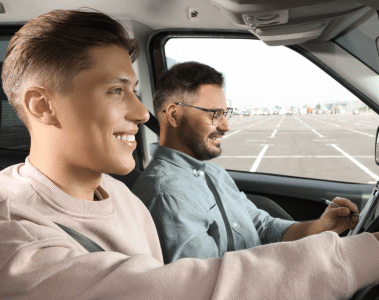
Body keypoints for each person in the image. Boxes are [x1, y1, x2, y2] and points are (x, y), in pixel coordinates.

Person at [0, 9, 379, 299]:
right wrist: (378, 251)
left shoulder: (118, 196)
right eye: (116, 91)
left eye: (136, 91)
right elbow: (182, 289)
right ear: (43, 107)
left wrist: (331, 233)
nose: (142, 114)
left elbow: (248, 239)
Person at [132, 62, 362, 263]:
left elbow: (263, 227)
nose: (225, 126)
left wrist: (320, 227)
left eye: (225, 113)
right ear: (174, 115)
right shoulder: (166, 195)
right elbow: (208, 285)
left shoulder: (214, 173)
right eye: (214, 114)